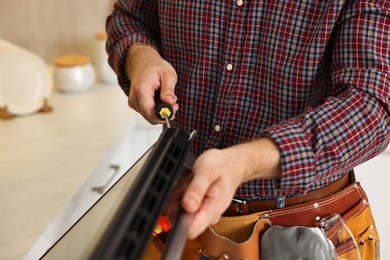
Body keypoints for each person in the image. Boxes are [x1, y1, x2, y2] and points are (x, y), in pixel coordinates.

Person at [106, 0, 389, 259]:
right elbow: (129, 19)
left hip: (306, 236)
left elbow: (372, 105)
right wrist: (139, 55)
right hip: (177, 217)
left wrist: (243, 162)